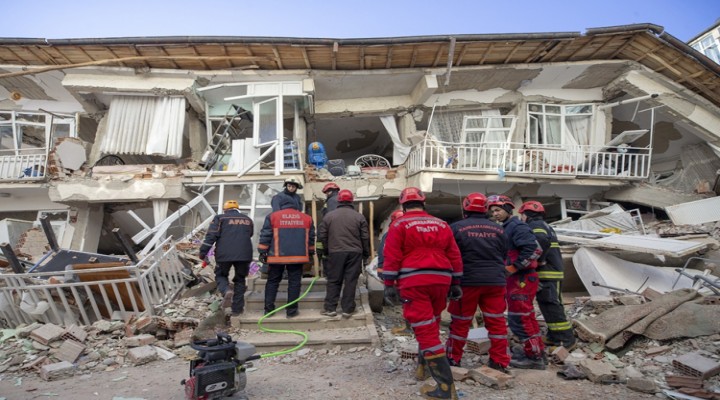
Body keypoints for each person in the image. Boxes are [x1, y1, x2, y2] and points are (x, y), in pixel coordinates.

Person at [382, 187, 463, 399]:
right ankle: (423, 368)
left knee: (424, 330)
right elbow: (454, 254)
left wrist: (389, 283)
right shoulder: (442, 224)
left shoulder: (399, 224)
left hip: (414, 281)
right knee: (431, 324)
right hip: (441, 280)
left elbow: (392, 255)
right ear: (423, 203)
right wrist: (456, 281)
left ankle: (446, 389)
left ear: (403, 205)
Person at [445, 193, 511, 373]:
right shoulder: (499, 229)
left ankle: (453, 359)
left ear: (466, 207)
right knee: (496, 323)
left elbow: (450, 255)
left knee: (460, 322)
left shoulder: (456, 228)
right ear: (485, 208)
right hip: (495, 282)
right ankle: (499, 362)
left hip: (467, 282)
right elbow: (504, 254)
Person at [487, 195, 545, 370]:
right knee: (526, 317)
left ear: (508, 208)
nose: (495, 214)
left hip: (522, 279)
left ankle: (534, 358)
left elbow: (535, 249)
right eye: (492, 211)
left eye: (498, 210)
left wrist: (514, 267)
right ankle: (536, 351)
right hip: (518, 279)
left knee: (520, 318)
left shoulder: (516, 226)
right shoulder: (507, 227)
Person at [519, 200, 576, 350]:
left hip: (548, 273)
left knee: (551, 306)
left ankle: (565, 341)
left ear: (525, 215)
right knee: (550, 305)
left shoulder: (534, 226)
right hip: (552, 272)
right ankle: (553, 336)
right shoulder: (545, 225)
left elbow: (541, 241)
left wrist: (539, 260)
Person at [258, 196, 315, 318]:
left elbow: (266, 234)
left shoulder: (272, 216)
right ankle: (291, 311)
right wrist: (310, 253)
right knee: (294, 283)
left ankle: (268, 310)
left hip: (276, 257)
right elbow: (311, 239)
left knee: (272, 282)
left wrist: (262, 251)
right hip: (298, 257)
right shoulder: (307, 218)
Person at [318, 189, 370, 318]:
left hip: (335, 252)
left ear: (339, 200)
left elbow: (322, 235)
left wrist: (326, 250)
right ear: (351, 201)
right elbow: (365, 237)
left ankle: (330, 308)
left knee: (334, 280)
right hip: (355, 253)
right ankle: (347, 309)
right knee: (350, 281)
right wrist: (365, 253)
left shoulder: (329, 216)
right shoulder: (359, 216)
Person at [198, 200, 254, 316]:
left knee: (220, 275)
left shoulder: (220, 218)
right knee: (240, 280)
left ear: (225, 209)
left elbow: (211, 236)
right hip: (244, 255)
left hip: (224, 255)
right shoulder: (247, 219)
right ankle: (237, 310)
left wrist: (203, 253)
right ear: (237, 208)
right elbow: (250, 234)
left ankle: (226, 291)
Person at [317, 182, 340, 277]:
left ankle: (329, 275)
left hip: (330, 234)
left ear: (331, 191)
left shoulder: (332, 201)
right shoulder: (334, 200)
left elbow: (331, 217)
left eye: (326, 192)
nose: (326, 194)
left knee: (327, 255)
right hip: (332, 233)